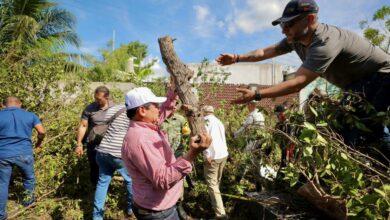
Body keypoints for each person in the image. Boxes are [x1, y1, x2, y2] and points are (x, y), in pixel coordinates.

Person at [216, 0, 390, 160]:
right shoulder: (295, 40)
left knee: (361, 132)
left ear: (310, 19)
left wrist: (257, 94)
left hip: (381, 75)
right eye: (283, 25)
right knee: (348, 132)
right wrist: (237, 58)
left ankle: (380, 170)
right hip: (356, 85)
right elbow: (264, 52)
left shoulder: (325, 41)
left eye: (289, 24)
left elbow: (298, 82)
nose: (284, 29)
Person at [122, 86, 211, 220]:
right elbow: (163, 180)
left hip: (158, 207)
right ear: (142, 110)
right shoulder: (142, 139)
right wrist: (192, 153)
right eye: (156, 105)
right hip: (159, 213)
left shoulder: (145, 126)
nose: (159, 108)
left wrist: (173, 94)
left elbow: (163, 112)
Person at [0, 97, 45, 220]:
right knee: (29, 178)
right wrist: (39, 142)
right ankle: (28, 205)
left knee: (2, 184)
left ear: (3, 105)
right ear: (20, 104)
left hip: (3, 154)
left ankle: (1, 215)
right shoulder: (30, 115)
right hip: (24, 153)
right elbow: (42, 132)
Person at [92, 104, 133, 220]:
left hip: (102, 150)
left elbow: (102, 122)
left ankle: (97, 217)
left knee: (102, 183)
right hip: (118, 153)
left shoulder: (113, 108)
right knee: (130, 180)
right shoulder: (134, 111)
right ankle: (131, 209)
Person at [75, 86, 114, 186]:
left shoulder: (115, 108)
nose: (96, 101)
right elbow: (83, 126)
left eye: (99, 99)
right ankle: (94, 192)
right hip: (93, 145)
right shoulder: (90, 108)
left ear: (107, 97)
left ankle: (107, 190)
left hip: (110, 145)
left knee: (109, 170)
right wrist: (79, 144)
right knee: (94, 169)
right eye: (95, 98)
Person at [202, 106, 229, 219]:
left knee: (212, 184)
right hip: (223, 154)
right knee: (216, 182)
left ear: (204, 112)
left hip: (213, 156)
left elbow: (205, 138)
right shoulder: (219, 121)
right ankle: (216, 204)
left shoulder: (205, 122)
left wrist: (207, 154)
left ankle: (220, 214)